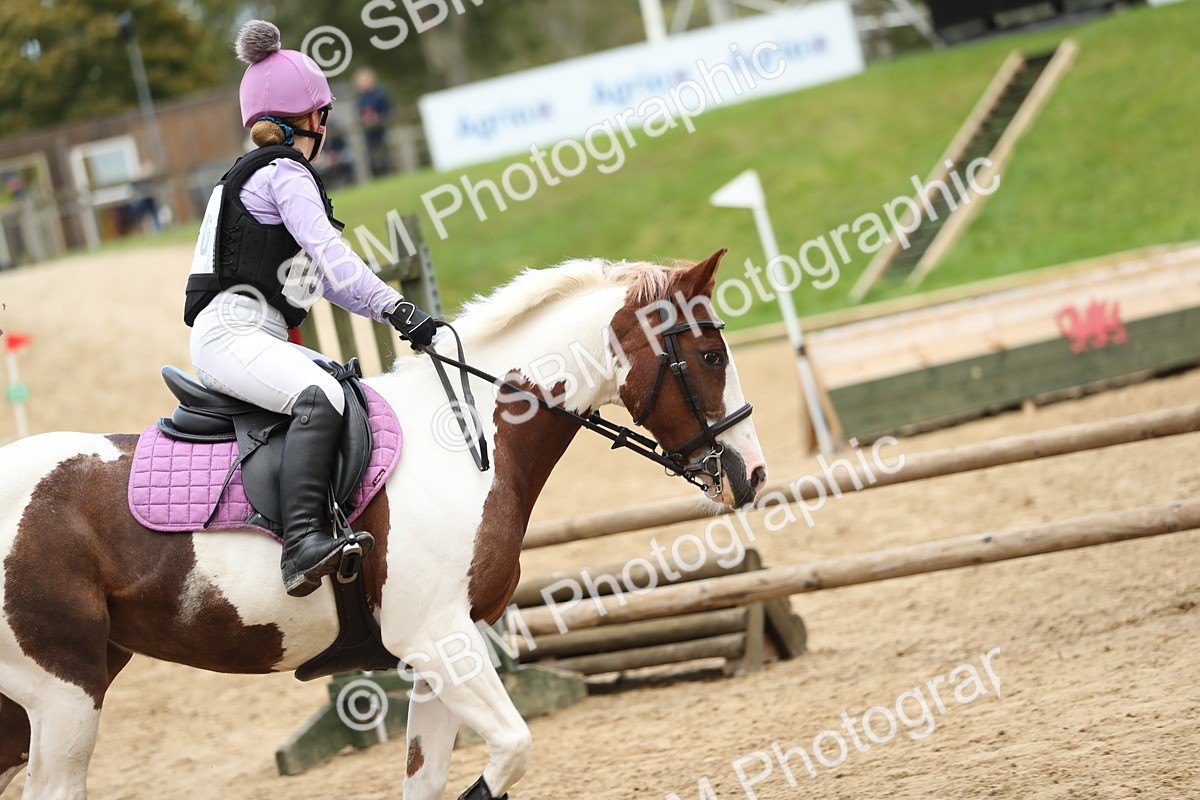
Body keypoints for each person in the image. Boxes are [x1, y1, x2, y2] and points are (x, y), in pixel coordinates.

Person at [183, 20, 437, 597]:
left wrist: (394, 313)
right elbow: (331, 252)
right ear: (312, 119)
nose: (327, 126)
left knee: (342, 391)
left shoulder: (252, 177)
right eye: (325, 115)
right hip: (236, 334)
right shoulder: (285, 173)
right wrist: (400, 309)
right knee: (320, 397)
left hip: (248, 331)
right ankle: (301, 545)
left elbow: (327, 282)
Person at [354, 67, 394, 177]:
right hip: (368, 133)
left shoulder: (380, 93)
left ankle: (388, 174)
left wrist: (378, 118)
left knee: (384, 155)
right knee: (371, 157)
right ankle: (376, 176)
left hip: (382, 130)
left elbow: (389, 110)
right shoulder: (360, 98)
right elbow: (358, 113)